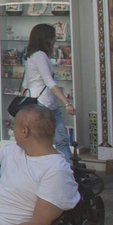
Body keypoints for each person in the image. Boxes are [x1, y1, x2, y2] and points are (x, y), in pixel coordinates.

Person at [23, 23, 75, 161]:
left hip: (43, 103)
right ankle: (69, 172)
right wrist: (67, 102)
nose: (55, 40)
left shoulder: (32, 55)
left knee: (54, 140)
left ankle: (67, 171)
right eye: (53, 37)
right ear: (47, 38)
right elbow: (49, 82)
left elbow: (26, 82)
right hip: (44, 104)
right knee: (60, 141)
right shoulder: (40, 56)